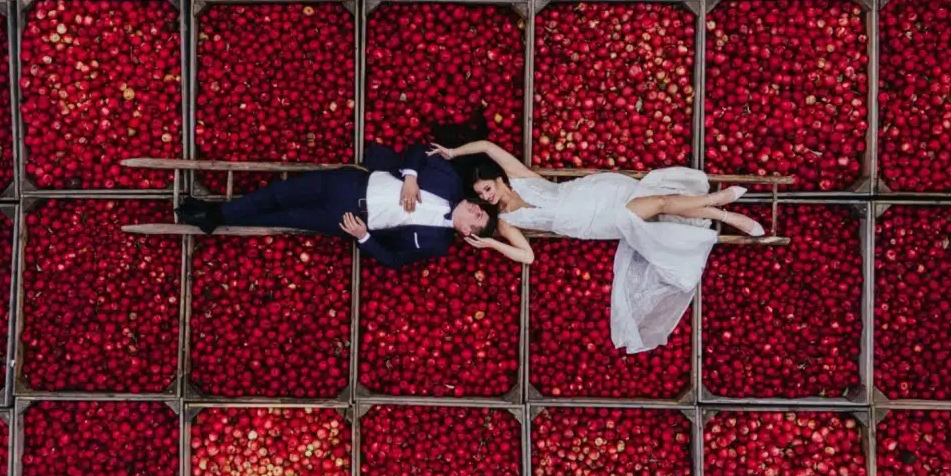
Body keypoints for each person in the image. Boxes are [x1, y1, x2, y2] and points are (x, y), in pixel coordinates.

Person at [429, 137, 764, 354]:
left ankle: (725, 210)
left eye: (488, 188)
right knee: (656, 206)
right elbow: (527, 256)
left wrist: (453, 150)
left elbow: (488, 147)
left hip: (594, 193)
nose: (488, 196)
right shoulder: (506, 222)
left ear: (498, 180)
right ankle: (718, 206)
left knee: (658, 204)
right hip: (592, 223)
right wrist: (492, 246)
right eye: (484, 195)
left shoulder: (520, 178)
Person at [175, 142, 503, 269]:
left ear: (466, 231)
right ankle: (215, 214)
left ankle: (213, 218)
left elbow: (394, 259)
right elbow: (419, 149)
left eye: (477, 218)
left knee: (286, 215)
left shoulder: (437, 243)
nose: (476, 209)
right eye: (480, 208)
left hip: (349, 218)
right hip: (350, 184)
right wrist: (411, 177)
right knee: (279, 193)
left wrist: (363, 237)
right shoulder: (451, 182)